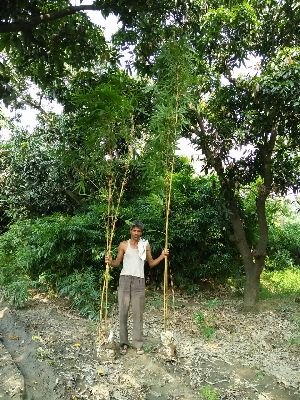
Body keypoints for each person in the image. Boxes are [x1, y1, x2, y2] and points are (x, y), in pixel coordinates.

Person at [105, 220, 169, 355]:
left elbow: (151, 263)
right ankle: (123, 343)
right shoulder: (123, 244)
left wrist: (163, 256)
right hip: (124, 280)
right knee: (123, 312)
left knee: (138, 313)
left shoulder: (145, 245)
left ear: (141, 232)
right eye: (134, 230)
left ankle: (138, 343)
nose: (136, 233)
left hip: (139, 281)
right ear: (130, 231)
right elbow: (117, 263)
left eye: (139, 231)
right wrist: (110, 262)